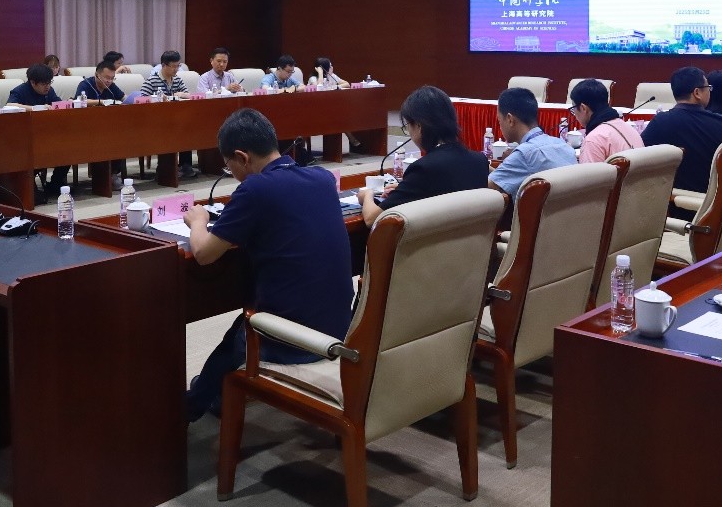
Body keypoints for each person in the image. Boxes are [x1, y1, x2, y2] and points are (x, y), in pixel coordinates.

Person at [183, 108, 353, 423]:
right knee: (238, 333)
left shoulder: (255, 189)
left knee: (240, 333)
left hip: (294, 340)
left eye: (229, 166)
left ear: (241, 157)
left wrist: (198, 221)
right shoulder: (323, 178)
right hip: (340, 327)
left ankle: (191, 407)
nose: (231, 172)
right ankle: (216, 395)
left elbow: (204, 254)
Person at [358, 85, 488, 225]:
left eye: (408, 126)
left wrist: (367, 195)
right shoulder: (479, 161)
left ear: (419, 126)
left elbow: (372, 219)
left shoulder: (424, 168)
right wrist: (406, 188)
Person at [639, 66, 722, 200]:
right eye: (708, 88)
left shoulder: (660, 122)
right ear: (697, 93)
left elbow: (640, 158)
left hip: (672, 203)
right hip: (718, 202)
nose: (710, 92)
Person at [488, 87, 577, 198]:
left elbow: (487, 187)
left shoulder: (524, 154)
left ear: (510, 119)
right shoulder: (563, 145)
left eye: (499, 120)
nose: (500, 126)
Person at [7, 65, 70, 195]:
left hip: (47, 134)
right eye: (44, 84)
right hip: (25, 137)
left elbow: (57, 103)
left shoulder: (49, 91)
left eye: (49, 82)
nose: (47, 86)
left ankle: (56, 183)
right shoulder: (20, 90)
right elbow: (10, 105)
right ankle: (27, 184)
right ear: (33, 82)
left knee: (68, 149)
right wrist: (35, 108)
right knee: (38, 153)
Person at [140, 53, 198, 179]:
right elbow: (141, 100)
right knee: (169, 131)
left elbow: (188, 95)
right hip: (156, 122)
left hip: (176, 119)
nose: (176, 69)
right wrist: (157, 99)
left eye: (178, 66)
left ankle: (185, 165)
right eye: (173, 66)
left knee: (187, 129)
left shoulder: (177, 80)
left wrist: (182, 94)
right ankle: (164, 168)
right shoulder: (151, 81)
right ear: (164, 65)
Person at [568, 78, 644, 164]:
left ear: (583, 108)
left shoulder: (593, 140)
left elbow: (589, 173)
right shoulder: (630, 129)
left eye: (573, 108)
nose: (574, 114)